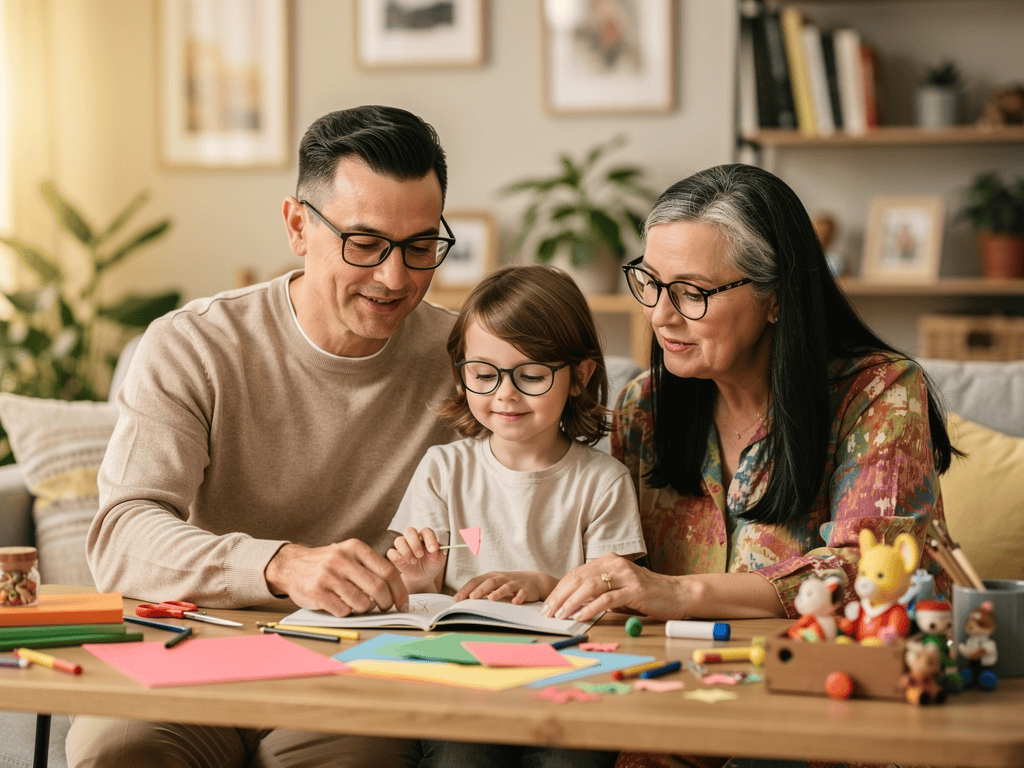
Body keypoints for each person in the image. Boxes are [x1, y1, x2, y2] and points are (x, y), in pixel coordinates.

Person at [69, 106, 461, 768]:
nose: (395, 279)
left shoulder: (466, 359)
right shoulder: (194, 344)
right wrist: (281, 564)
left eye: (420, 247)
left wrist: (454, 553)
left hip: (355, 665)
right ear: (298, 226)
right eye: (365, 243)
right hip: (188, 651)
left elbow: (502, 519)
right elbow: (123, 533)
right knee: (122, 753)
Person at [540, 164, 956, 768]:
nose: (660, 316)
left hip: (831, 708)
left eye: (692, 292)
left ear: (776, 299)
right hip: (675, 707)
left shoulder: (879, 392)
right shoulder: (644, 410)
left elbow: (865, 570)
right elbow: (625, 575)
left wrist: (680, 593)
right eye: (651, 283)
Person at [389, 264, 644, 768]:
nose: (504, 393)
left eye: (530, 375)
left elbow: (618, 604)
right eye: (484, 375)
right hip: (464, 676)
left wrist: (544, 583)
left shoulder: (603, 480)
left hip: (569, 677)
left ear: (581, 377)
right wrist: (416, 579)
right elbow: (416, 604)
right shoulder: (444, 467)